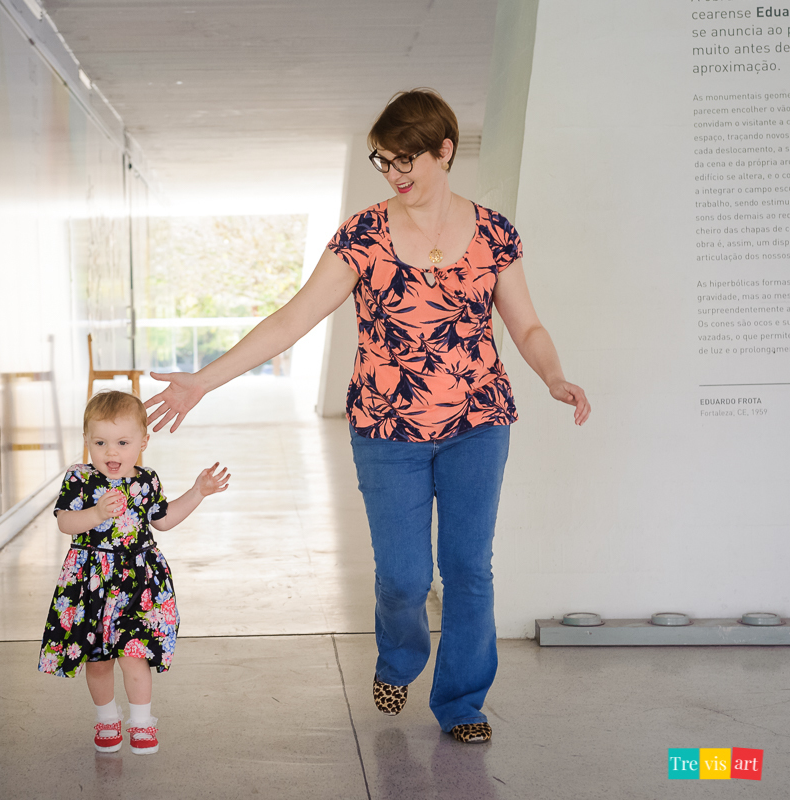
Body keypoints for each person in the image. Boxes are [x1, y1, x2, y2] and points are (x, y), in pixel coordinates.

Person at [144, 89, 590, 744]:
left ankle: (462, 702)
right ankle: (398, 657)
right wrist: (204, 382)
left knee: (469, 568)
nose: (396, 173)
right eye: (384, 161)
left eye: (407, 159)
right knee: (405, 575)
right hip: (386, 430)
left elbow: (525, 323)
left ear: (444, 150)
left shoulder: (494, 232)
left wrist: (553, 375)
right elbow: (293, 318)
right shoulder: (363, 236)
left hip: (479, 421)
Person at [38, 390, 230, 755]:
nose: (112, 452)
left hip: (137, 581)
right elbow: (65, 521)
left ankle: (142, 721)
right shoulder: (79, 480)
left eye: (123, 442)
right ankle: (106, 717)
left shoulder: (146, 482)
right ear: (86, 441)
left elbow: (164, 520)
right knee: (97, 660)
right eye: (101, 442)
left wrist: (198, 492)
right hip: (91, 582)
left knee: (134, 652)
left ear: (143, 442)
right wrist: (95, 514)